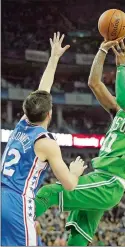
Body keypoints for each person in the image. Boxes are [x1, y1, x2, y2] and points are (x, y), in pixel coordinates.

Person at [35, 39, 125, 246]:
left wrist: (121, 65)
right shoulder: (121, 112)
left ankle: (16, 223)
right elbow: (94, 83)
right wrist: (103, 49)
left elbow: (124, 99)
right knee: (79, 232)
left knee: (48, 192)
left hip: (110, 182)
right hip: (100, 178)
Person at [1, 32, 86, 246]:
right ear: (50, 114)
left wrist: (54, 57)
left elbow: (42, 91)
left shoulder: (22, 122)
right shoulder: (47, 143)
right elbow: (68, 185)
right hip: (17, 202)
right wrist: (74, 172)